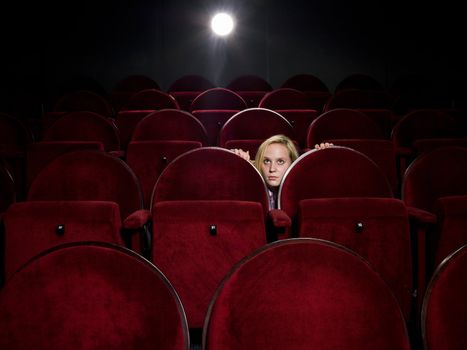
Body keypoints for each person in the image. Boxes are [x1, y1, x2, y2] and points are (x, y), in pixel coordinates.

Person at [231, 135, 332, 209]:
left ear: (292, 163)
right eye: (266, 161)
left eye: (280, 161)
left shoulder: (302, 189)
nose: (272, 169)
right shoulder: (250, 189)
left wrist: (326, 158)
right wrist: (236, 162)